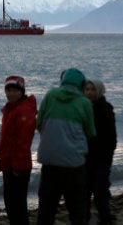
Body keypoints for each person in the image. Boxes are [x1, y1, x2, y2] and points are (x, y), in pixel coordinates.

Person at [36, 68, 96, 225]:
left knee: (46, 209)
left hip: (49, 161)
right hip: (73, 164)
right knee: (77, 209)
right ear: (81, 85)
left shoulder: (50, 95)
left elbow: (39, 122)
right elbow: (90, 132)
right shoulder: (84, 103)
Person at [0, 76, 38, 225]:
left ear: (21, 92)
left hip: (18, 165)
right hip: (9, 163)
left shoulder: (24, 110)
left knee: (17, 206)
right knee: (11, 204)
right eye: (8, 90)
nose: (11, 94)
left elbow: (23, 142)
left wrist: (17, 167)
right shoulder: (10, 109)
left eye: (15, 91)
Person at [84, 78, 117, 225]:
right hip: (85, 158)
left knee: (100, 194)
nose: (90, 92)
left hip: (102, 159)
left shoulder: (105, 108)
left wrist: (106, 159)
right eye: (87, 89)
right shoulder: (82, 108)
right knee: (84, 194)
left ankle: (106, 218)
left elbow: (111, 138)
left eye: (93, 89)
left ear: (99, 91)